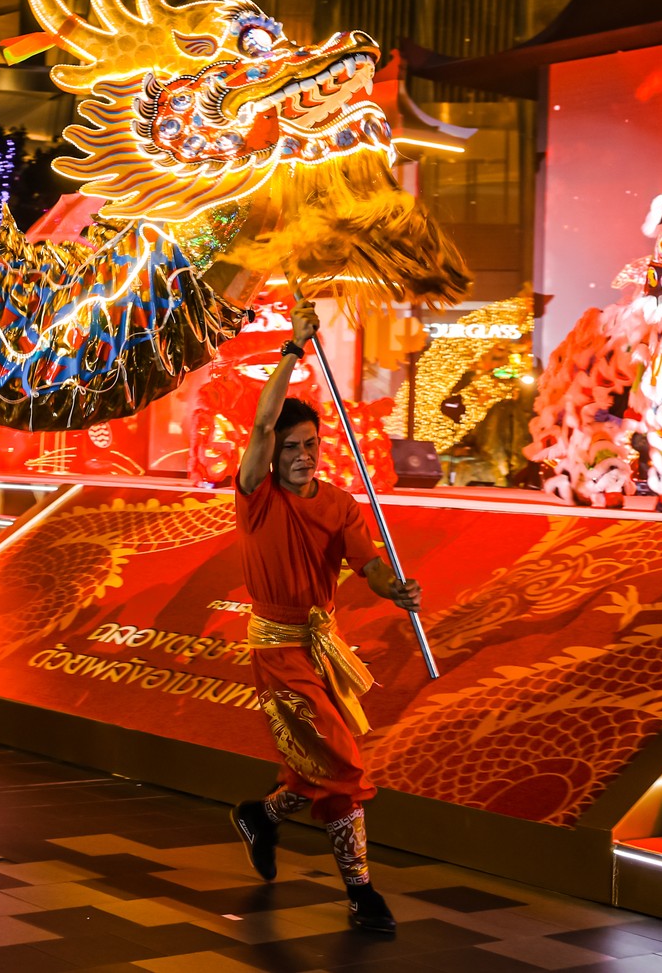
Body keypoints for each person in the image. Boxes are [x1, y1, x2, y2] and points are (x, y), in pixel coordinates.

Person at [225, 301, 420, 937]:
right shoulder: (256, 496)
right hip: (277, 650)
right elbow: (261, 425)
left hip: (321, 646)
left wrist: (396, 589)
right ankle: (362, 893)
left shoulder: (338, 504)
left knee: (319, 764)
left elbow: (371, 566)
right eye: (292, 447)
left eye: (311, 444)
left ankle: (263, 816)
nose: (304, 455)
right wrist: (293, 348)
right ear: (271, 454)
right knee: (343, 766)